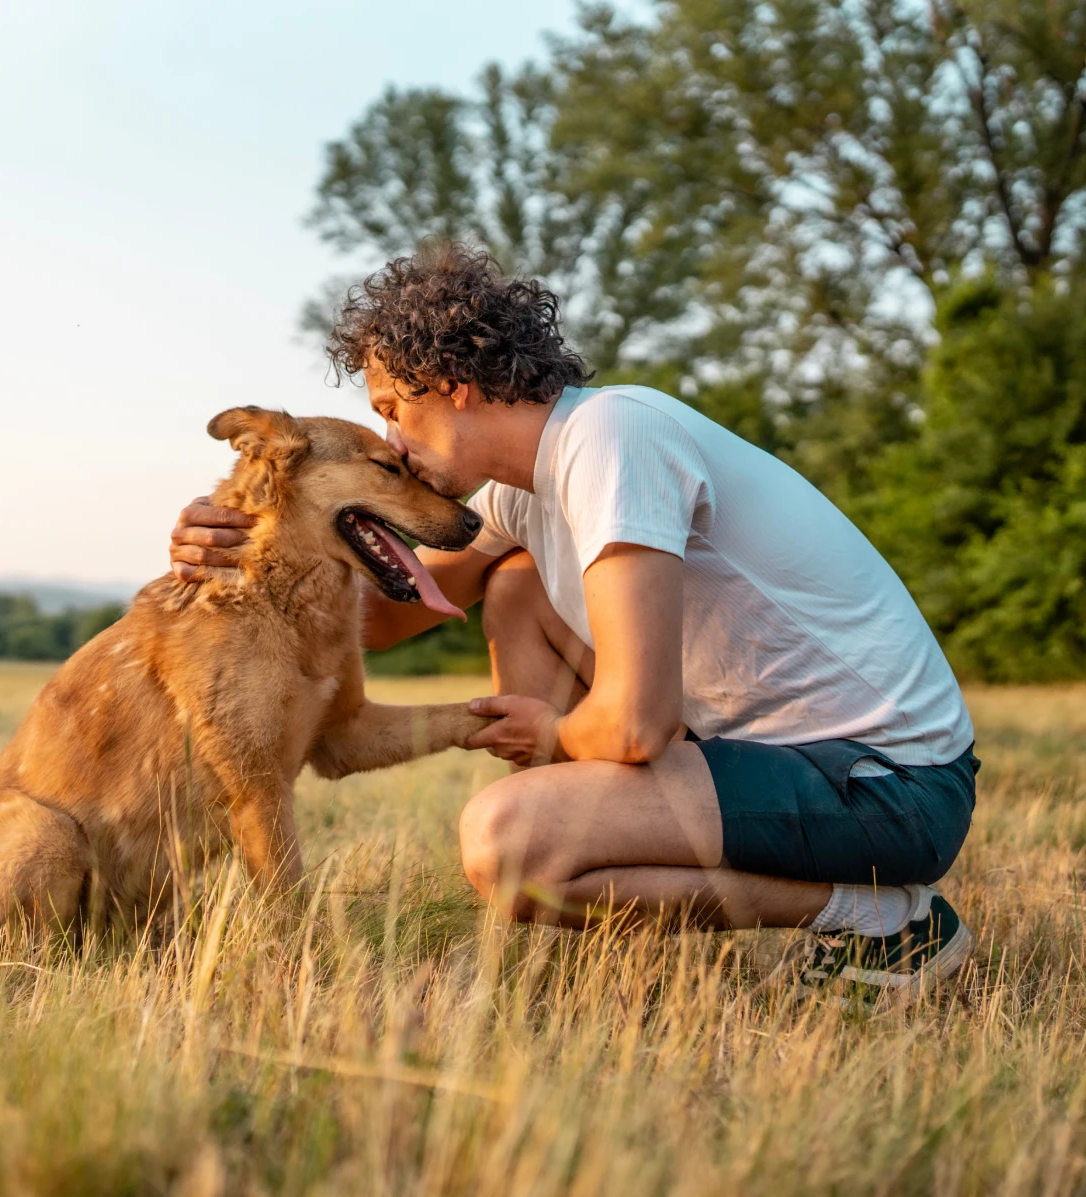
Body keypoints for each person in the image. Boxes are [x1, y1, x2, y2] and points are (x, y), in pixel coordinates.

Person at [169, 243, 979, 993]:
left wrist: (551, 738)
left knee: (509, 846)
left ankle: (884, 921)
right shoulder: (524, 489)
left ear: (451, 383)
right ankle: (597, 886)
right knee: (516, 584)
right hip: (785, 764)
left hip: (891, 786)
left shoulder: (612, 437)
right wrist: (248, 540)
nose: (395, 445)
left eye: (393, 410)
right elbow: (380, 620)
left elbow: (634, 727)